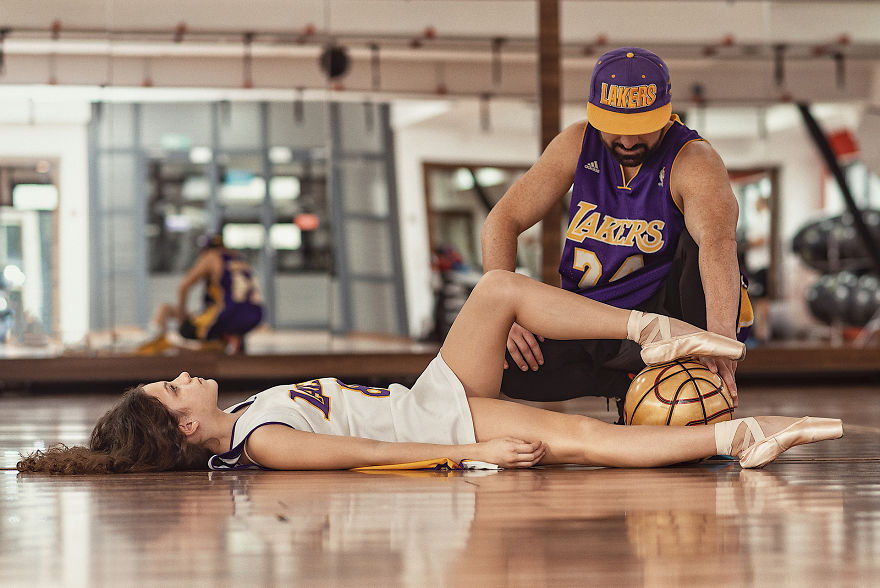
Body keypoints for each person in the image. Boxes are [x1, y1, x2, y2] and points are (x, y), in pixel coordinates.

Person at [17, 270, 842, 474]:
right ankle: (740, 436)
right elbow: (366, 461)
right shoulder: (263, 442)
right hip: (444, 426)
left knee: (497, 289)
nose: (182, 377)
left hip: (433, 392)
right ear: (184, 428)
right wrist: (466, 459)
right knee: (589, 439)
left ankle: (654, 332)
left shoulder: (253, 412)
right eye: (171, 389)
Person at [481, 47, 752, 419]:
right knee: (496, 357)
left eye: (641, 129)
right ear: (595, 115)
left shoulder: (693, 159)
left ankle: (688, 371)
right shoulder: (576, 142)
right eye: (617, 130)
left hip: (664, 317)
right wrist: (502, 316)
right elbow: (503, 220)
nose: (627, 142)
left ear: (665, 114)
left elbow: (718, 244)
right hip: (590, 316)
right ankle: (630, 385)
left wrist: (719, 338)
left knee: (698, 240)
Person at [137, 234, 263, 355]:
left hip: (226, 316)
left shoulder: (211, 256)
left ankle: (156, 343)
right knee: (211, 333)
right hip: (254, 316)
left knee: (167, 311)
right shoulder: (238, 259)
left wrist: (181, 318)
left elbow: (183, 286)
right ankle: (228, 342)